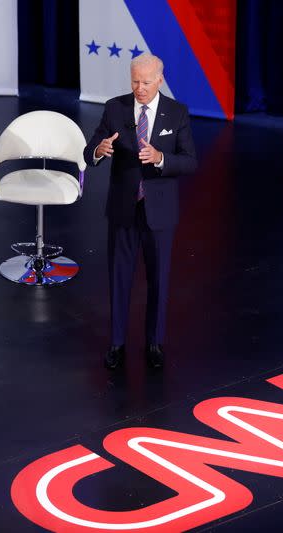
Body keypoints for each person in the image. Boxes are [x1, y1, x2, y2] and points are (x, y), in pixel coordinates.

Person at [83, 54, 198, 370]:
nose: (139, 88)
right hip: (123, 210)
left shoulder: (177, 113)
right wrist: (98, 150)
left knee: (159, 280)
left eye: (146, 82)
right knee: (119, 278)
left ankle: (154, 343)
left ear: (160, 79)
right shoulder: (115, 107)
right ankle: (117, 344)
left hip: (159, 212)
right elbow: (90, 148)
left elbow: (190, 161)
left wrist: (161, 158)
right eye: (135, 81)